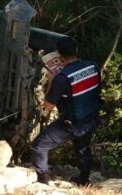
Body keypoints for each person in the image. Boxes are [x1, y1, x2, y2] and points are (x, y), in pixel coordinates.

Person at [31, 36, 101, 185]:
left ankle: (42, 181)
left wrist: (51, 81)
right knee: (83, 148)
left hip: (71, 124)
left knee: (39, 146)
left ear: (59, 56)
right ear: (76, 50)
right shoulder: (94, 67)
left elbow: (48, 106)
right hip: (91, 119)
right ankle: (84, 181)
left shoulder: (61, 79)